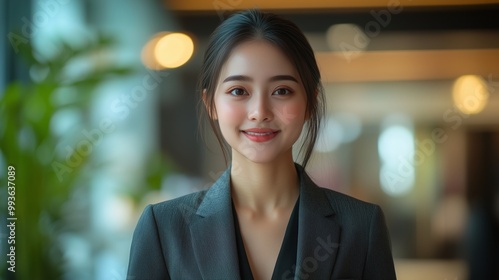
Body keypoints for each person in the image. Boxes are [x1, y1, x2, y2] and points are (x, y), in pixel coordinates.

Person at [127, 9, 396, 280]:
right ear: (210, 103)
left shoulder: (361, 226)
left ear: (309, 103)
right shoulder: (164, 228)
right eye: (238, 91)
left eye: (282, 91)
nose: (259, 111)